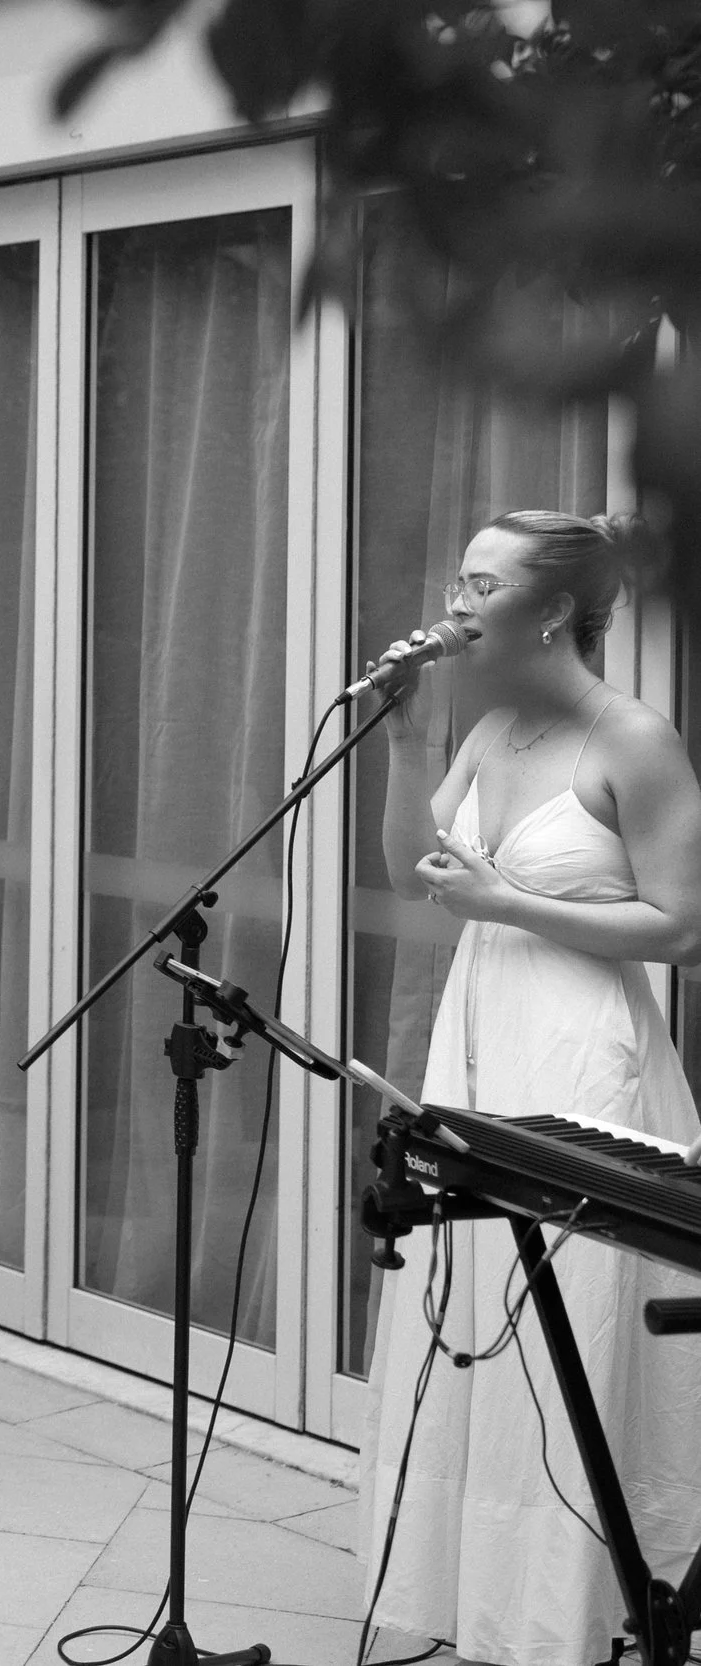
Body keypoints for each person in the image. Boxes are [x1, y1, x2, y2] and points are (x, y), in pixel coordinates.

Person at [360, 510, 701, 1666]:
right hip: (481, 1028)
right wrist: (407, 743)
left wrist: (508, 903)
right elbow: (413, 872)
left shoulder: (632, 736)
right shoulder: (495, 721)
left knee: (571, 1310)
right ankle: (483, 1596)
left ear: (552, 610)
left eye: (479, 583)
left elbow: (684, 927)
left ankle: (580, 1604)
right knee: (476, 1302)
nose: (453, 603)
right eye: (455, 580)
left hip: (580, 1050)